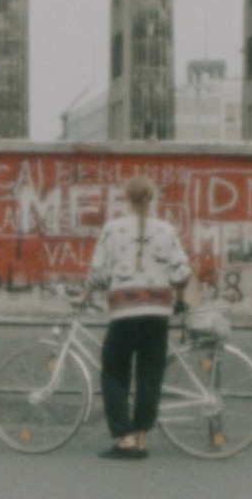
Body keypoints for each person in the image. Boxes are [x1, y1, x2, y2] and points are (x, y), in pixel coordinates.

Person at [74, 175, 191, 460]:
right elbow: (182, 272)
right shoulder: (166, 230)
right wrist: (179, 295)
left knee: (114, 373)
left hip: (125, 313)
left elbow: (99, 272)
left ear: (126, 198)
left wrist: (84, 296)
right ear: (152, 199)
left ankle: (124, 439)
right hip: (157, 314)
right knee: (150, 376)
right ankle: (142, 438)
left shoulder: (113, 229)